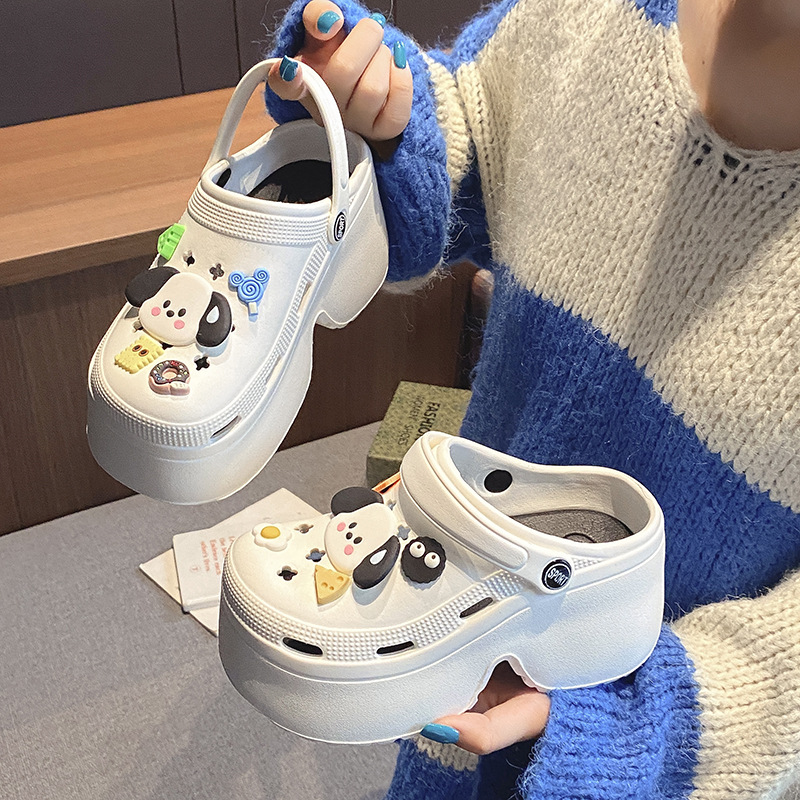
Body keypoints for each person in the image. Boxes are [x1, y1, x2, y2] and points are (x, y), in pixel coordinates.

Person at [264, 0, 800, 797]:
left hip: (680, 765)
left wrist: (639, 729)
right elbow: (477, 135)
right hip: (456, 664)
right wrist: (379, 109)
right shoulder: (592, 16)